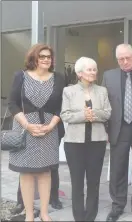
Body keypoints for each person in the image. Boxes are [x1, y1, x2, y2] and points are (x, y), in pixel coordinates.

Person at [8, 43, 65, 222]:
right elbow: (12, 104)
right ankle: (30, 215)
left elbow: (62, 106)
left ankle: (45, 214)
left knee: (45, 173)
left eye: (49, 57)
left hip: (49, 131)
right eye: (42, 56)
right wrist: (27, 125)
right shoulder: (21, 76)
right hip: (25, 131)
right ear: (34, 58)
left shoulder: (59, 78)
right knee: (26, 174)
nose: (46, 59)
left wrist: (51, 126)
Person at [60, 57, 111, 221]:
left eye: (94, 69)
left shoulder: (102, 91)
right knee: (77, 182)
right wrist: (83, 115)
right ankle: (79, 217)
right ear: (80, 73)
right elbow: (65, 115)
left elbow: (108, 112)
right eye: (89, 69)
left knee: (94, 182)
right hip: (74, 144)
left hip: (97, 142)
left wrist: (93, 114)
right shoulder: (69, 91)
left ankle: (90, 216)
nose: (93, 72)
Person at [102, 44, 132, 221]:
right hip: (118, 129)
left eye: (128, 58)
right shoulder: (109, 76)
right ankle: (117, 205)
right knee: (117, 169)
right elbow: (104, 103)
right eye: (121, 59)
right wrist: (105, 129)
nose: (125, 62)